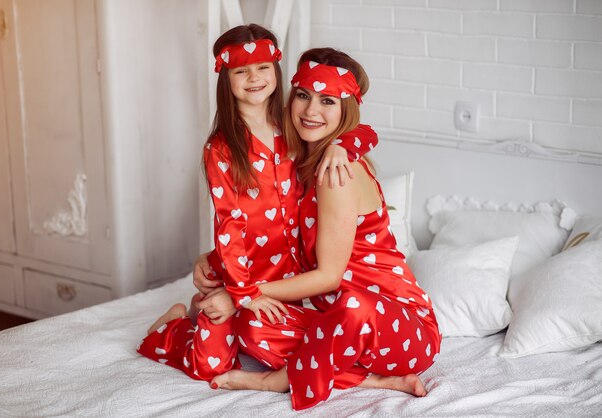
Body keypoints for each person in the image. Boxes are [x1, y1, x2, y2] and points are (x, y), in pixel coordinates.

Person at [202, 48, 441, 410]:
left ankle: (276, 381)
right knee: (254, 327)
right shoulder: (304, 159)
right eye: (303, 95)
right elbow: (270, 231)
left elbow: (330, 277)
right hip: (332, 316)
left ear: (345, 110)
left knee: (353, 304)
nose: (311, 111)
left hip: (400, 328)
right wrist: (211, 263)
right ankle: (372, 379)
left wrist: (243, 292)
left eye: (327, 100)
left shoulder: (336, 175)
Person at [137, 25, 378, 382]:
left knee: (297, 343)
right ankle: (173, 326)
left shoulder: (294, 123)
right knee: (210, 368)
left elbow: (363, 129)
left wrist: (344, 145)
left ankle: (206, 315)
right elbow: (229, 224)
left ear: (276, 71)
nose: (254, 78)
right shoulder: (220, 149)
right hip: (243, 276)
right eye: (241, 71)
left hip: (289, 276)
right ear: (226, 78)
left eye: (263, 67)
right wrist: (242, 293)